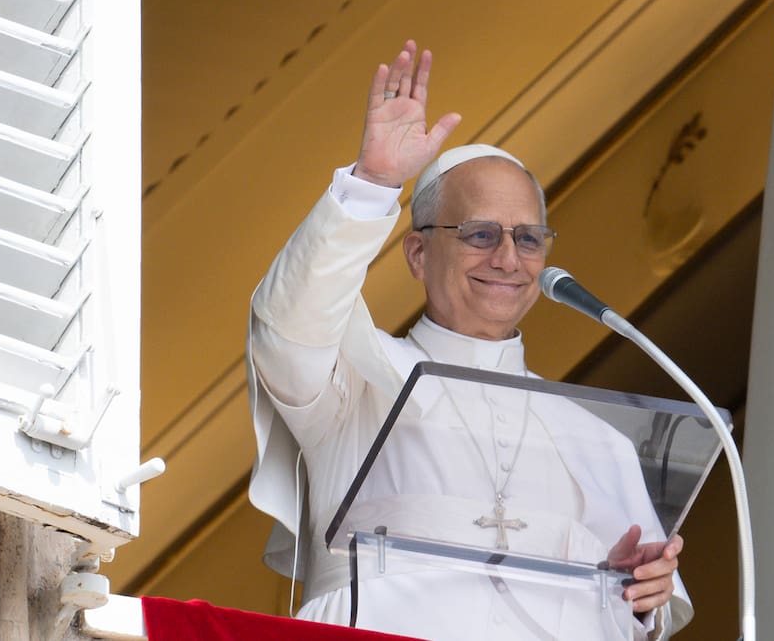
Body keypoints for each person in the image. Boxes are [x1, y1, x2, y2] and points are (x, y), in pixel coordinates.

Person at [246, 40, 692, 640]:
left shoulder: (597, 439)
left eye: (528, 239)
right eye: (480, 234)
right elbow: (288, 323)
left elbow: (642, 610)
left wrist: (638, 597)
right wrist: (374, 183)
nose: (508, 258)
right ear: (419, 252)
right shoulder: (351, 383)